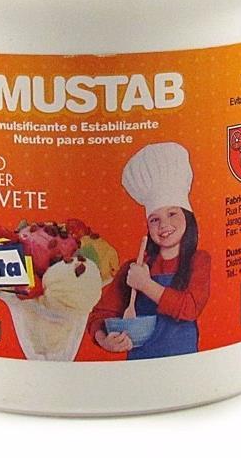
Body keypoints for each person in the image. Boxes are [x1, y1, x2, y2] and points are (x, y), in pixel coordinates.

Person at [88, 142, 211, 360]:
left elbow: (189, 308)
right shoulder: (134, 267)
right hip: (138, 362)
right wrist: (104, 339)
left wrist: (145, 284)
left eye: (172, 214)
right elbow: (101, 314)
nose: (164, 225)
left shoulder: (198, 261)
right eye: (155, 219)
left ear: (187, 216)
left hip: (185, 362)